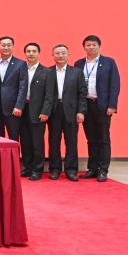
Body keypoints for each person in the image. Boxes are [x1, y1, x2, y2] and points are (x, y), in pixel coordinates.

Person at [74, 35, 120, 182]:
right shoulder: (79, 63)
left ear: (99, 46)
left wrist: (112, 105)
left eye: (94, 45)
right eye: (88, 45)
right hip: (85, 105)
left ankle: (103, 170)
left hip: (102, 105)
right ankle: (92, 168)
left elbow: (114, 84)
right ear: (84, 47)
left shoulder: (109, 62)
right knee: (91, 139)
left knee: (103, 139)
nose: (91, 47)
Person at [49, 44, 88, 181]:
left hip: (71, 111)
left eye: (63, 53)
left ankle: (71, 170)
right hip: (54, 110)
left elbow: (82, 93)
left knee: (71, 142)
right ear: (52, 55)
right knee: (54, 141)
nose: (60, 56)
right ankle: (55, 169)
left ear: (68, 55)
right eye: (57, 53)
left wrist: (81, 111)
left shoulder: (77, 72)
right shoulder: (48, 72)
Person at [19, 43, 54, 180]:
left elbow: (49, 95)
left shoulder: (47, 72)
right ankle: (28, 167)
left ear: (39, 53)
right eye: (28, 51)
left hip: (38, 111)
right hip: (22, 109)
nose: (31, 54)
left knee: (37, 142)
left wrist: (45, 111)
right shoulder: (20, 69)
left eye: (34, 51)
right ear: (25, 53)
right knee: (25, 141)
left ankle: (37, 169)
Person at [0, 36, 28, 141]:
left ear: (13, 47)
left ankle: (14, 154)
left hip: (13, 108)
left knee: (14, 137)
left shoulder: (20, 64)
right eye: (3, 45)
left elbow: (23, 86)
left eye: (9, 45)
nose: (6, 47)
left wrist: (19, 106)